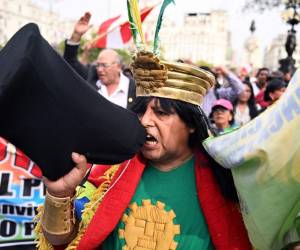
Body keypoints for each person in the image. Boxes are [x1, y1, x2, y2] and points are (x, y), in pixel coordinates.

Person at [35, 51, 252, 249]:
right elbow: (64, 244)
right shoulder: (109, 173)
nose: (146, 120)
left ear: (191, 124)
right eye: (142, 111)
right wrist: (60, 195)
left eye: (161, 113)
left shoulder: (226, 180)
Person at [63, 12, 136, 109]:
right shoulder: (91, 76)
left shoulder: (134, 89)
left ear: (118, 67)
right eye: (98, 65)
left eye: (104, 65)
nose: (100, 69)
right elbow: (70, 62)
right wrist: (76, 35)